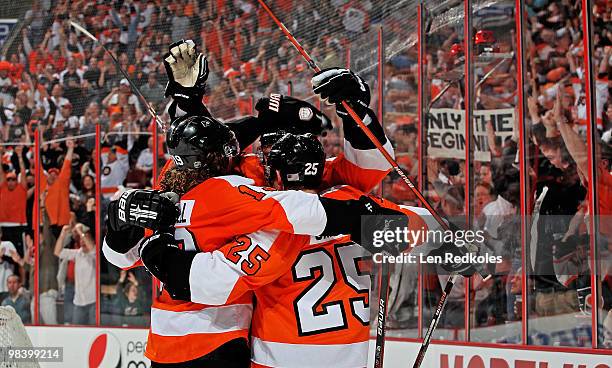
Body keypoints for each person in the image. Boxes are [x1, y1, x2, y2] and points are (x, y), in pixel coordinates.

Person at [103, 40, 400, 367]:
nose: (266, 150)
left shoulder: (193, 186)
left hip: (187, 340)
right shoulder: (247, 183)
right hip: (238, 339)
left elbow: (122, 254)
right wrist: (364, 218)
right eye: (268, 141)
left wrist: (356, 112)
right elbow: (366, 173)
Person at [139, 133, 476, 368]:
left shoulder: (272, 225)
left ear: (279, 174)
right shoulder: (351, 202)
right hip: (351, 354)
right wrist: (453, 242)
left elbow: (213, 278)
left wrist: (157, 250)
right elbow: (415, 224)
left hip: (281, 356)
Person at [54, 222, 95, 325]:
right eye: (81, 239)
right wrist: (63, 234)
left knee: (93, 332)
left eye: (85, 238)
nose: (83, 241)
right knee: (77, 332)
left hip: (93, 301)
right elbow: (58, 252)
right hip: (79, 301)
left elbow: (91, 247)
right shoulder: (77, 253)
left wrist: (80, 232)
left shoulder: (94, 254)